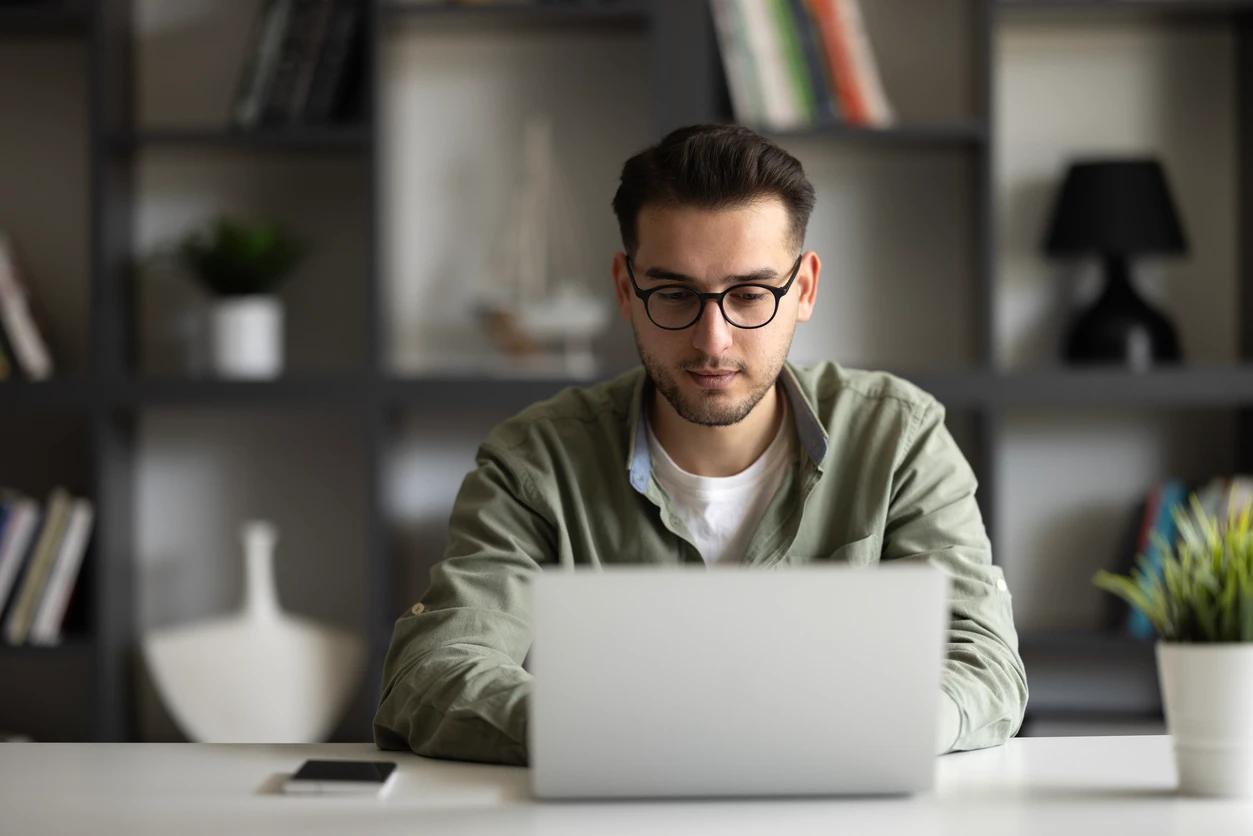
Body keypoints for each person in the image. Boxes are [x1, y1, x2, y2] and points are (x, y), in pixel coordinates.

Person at [373, 124, 1027, 765]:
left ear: (802, 289)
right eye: (675, 294)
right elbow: (432, 673)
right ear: (626, 289)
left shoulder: (899, 438)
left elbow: (985, 666)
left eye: (748, 294)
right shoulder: (533, 461)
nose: (712, 339)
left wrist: (867, 727)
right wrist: (624, 735)